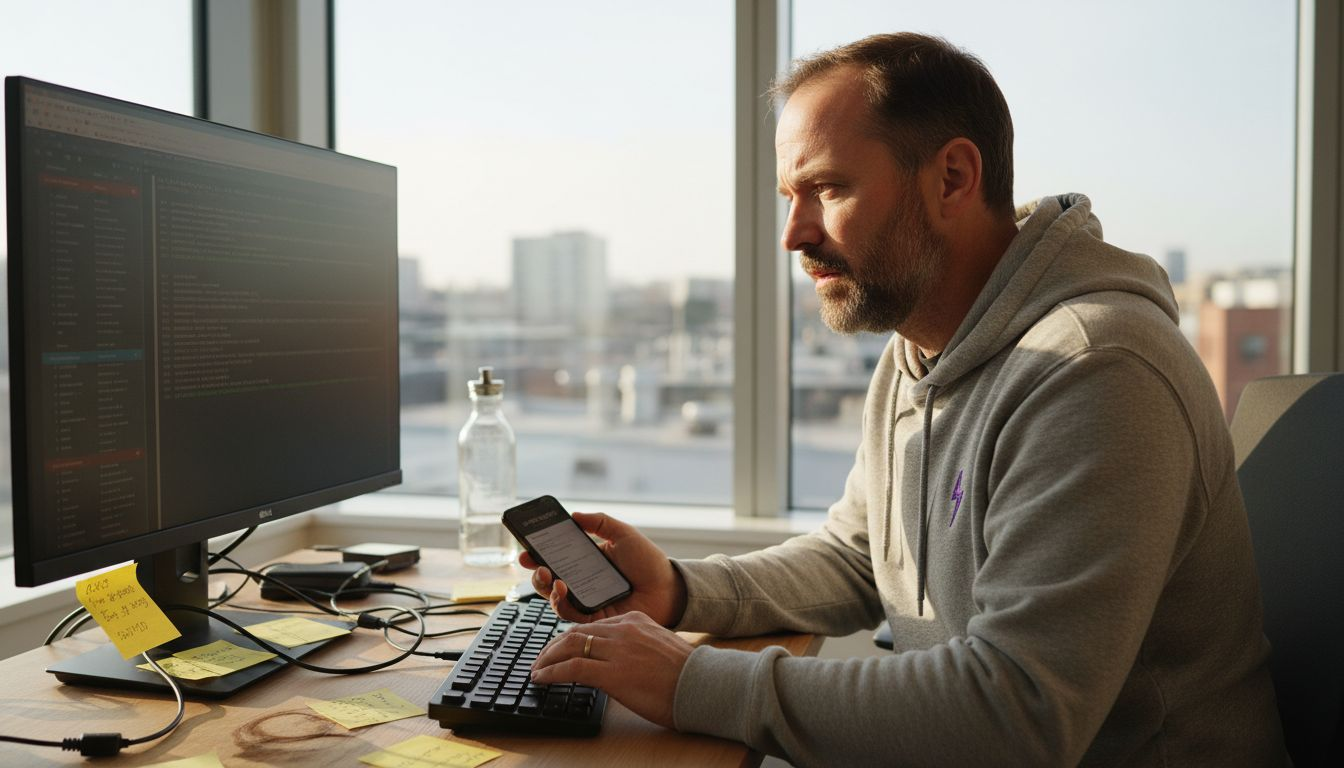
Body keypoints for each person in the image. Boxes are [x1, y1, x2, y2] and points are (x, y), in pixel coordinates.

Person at [526, 32, 1287, 766]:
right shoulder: (920, 347)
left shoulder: (1095, 371)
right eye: (791, 196)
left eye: (827, 188)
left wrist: (687, 681)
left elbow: (1016, 715)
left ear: (953, 178)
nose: (794, 234)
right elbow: (860, 559)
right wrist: (683, 589)